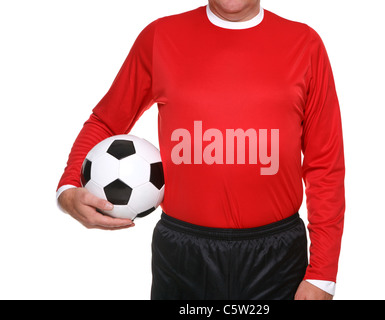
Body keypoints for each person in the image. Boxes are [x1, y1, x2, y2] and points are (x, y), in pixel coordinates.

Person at [57, 0, 345, 300]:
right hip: (184, 256)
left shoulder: (305, 44)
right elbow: (106, 121)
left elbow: (325, 164)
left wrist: (323, 275)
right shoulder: (160, 38)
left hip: (276, 257)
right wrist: (67, 187)